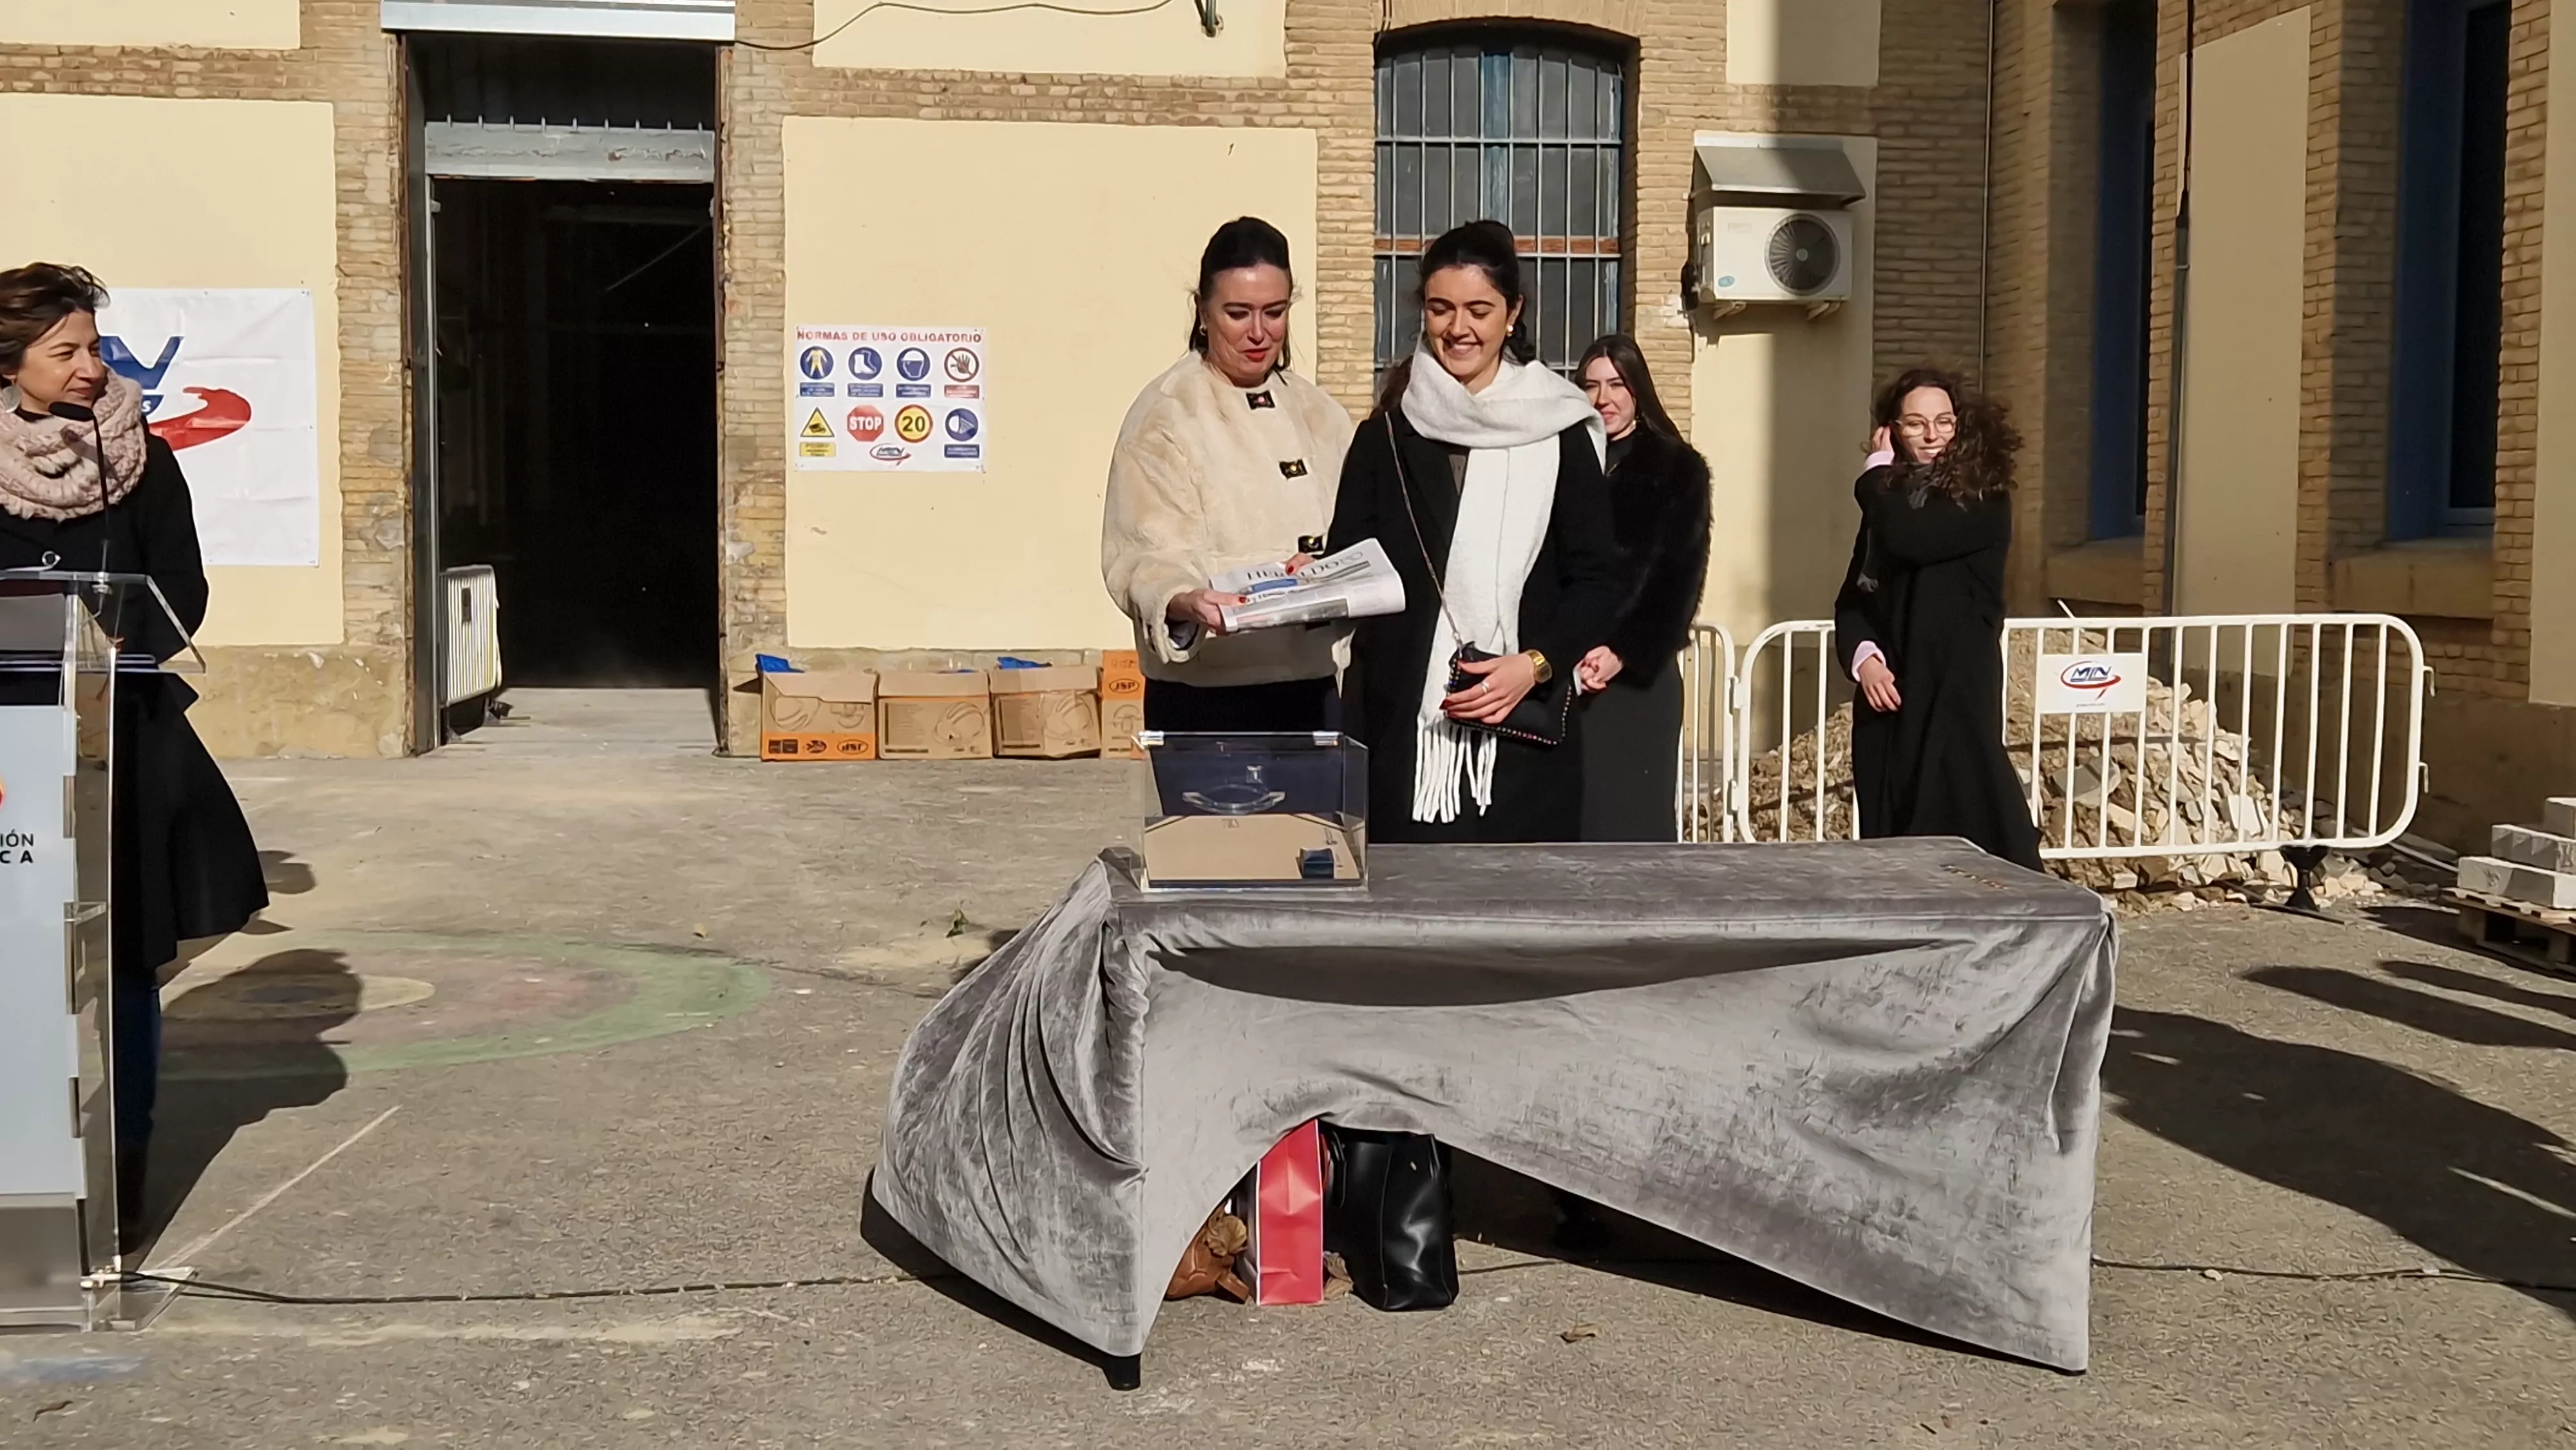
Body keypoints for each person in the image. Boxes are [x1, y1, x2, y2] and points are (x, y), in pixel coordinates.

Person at [0, 262, 270, 1249]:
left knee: (120, 964)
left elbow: (180, 589)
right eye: (63, 350)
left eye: (93, 348)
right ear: (12, 360)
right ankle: (26, 1201)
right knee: (16, 968)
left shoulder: (144, 457)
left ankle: (117, 1193)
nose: (86, 367)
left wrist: (121, 649)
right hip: (8, 750)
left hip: (124, 741)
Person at [1326, 220, 1624, 843]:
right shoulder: (1386, 434)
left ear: (1511, 313)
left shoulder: (1560, 426)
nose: (1458, 328)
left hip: (1522, 729)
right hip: (1405, 729)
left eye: (1478, 309)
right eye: (1440, 308)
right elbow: (1351, 565)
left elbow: (1595, 578)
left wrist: (1536, 664)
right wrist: (1306, 582)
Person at [1102, 217, 1354, 733]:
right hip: (1208, 695)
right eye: (1238, 313)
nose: (1259, 333)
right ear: (1203, 312)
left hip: (1315, 685)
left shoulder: (1320, 413)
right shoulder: (1166, 415)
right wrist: (1184, 599)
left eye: (1275, 312)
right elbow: (1143, 555)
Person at [1831, 366, 2043, 871]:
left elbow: (1913, 537)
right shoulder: (1890, 501)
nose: (1931, 436)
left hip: (1953, 687)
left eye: (1944, 422)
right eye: (1915, 424)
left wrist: (1874, 478)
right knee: (1895, 830)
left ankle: (2019, 919)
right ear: (1892, 431)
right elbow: (1854, 598)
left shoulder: (1982, 495)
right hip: (1893, 695)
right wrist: (1865, 660)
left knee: (1968, 815)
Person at [1571, 335, 1712, 842]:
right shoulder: (1561, 461)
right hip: (1569, 674)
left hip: (1636, 682)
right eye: (1590, 385)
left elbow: (1679, 579)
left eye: (1616, 384)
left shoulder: (1677, 468)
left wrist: (1623, 652)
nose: (1603, 398)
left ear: (1638, 391)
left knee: (1633, 824)